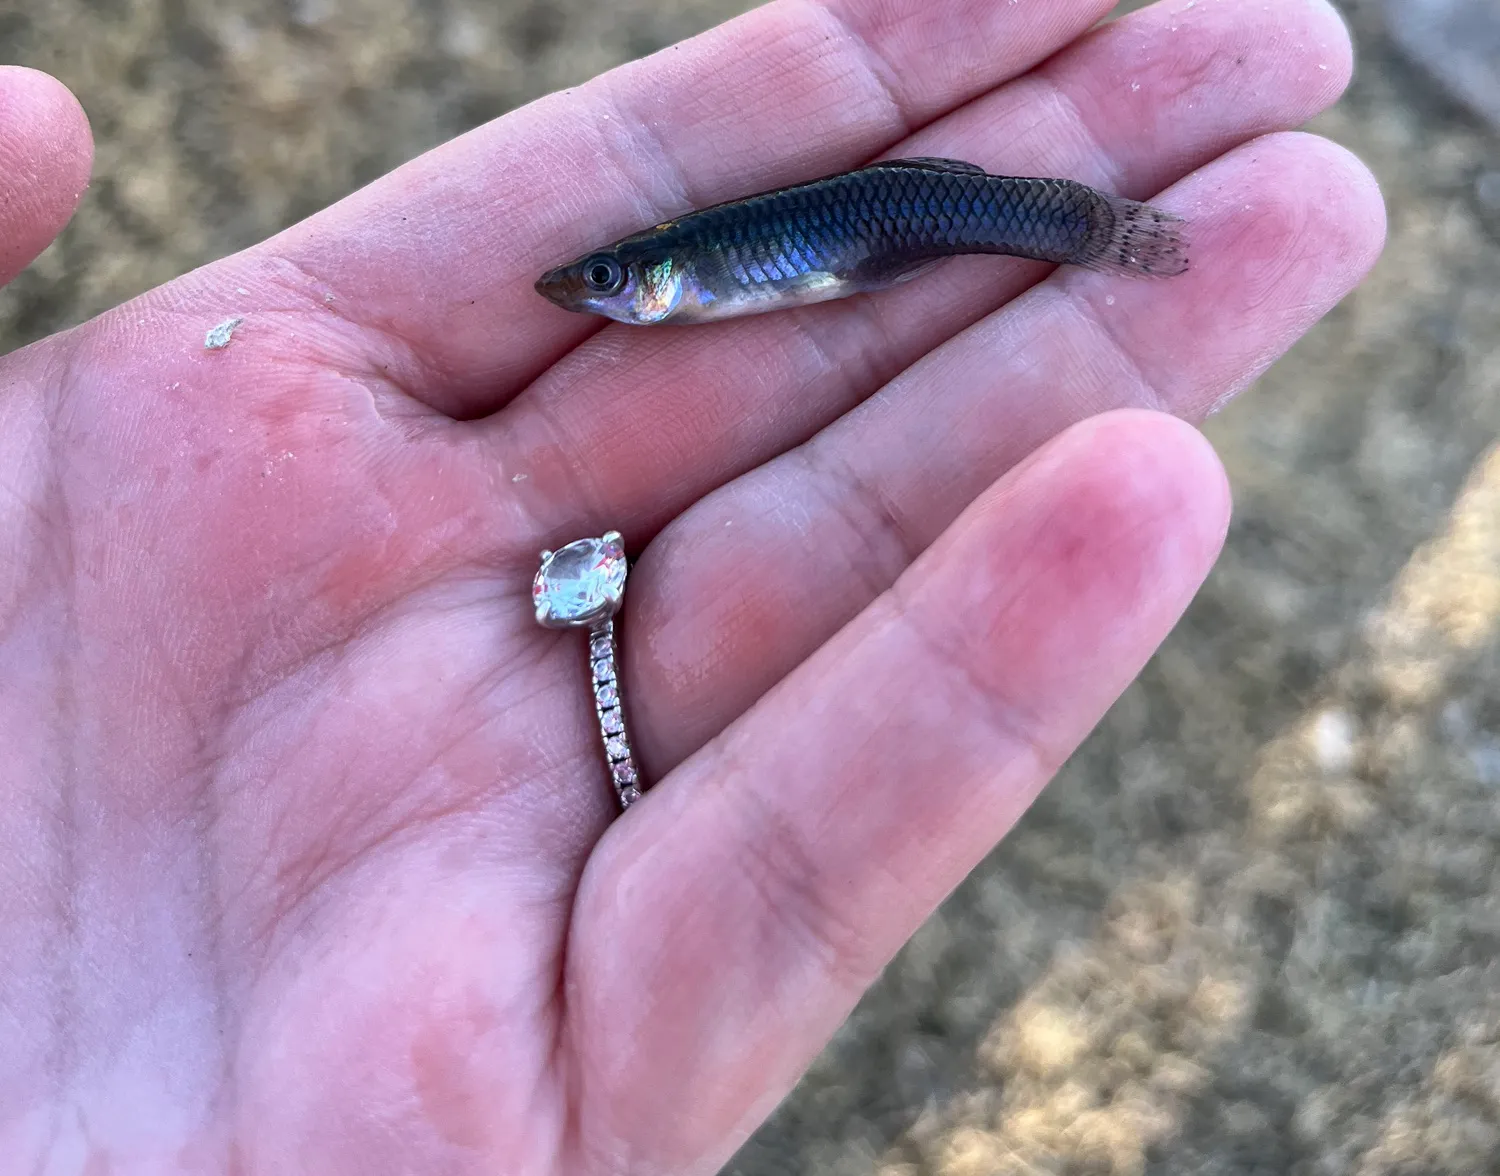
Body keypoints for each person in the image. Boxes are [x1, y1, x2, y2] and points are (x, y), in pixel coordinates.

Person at [0, 0, 1383, 1171]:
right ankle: (1082, 228)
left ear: (654, 273)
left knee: (997, 234)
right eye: (602, 281)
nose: (590, 295)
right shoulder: (686, 281)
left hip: (874, 232)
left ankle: (1086, 229)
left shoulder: (721, 265)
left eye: (608, 281)